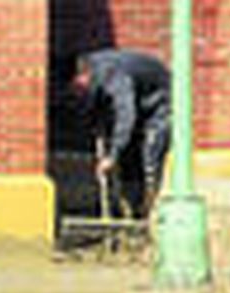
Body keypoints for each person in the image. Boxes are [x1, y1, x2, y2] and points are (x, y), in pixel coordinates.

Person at [72, 49, 171, 218]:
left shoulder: (113, 76)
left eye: (80, 88)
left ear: (84, 76)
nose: (79, 93)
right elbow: (96, 104)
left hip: (160, 102)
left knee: (150, 154)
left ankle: (149, 209)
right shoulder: (93, 71)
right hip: (139, 99)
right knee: (128, 154)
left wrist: (112, 156)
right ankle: (128, 205)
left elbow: (126, 114)